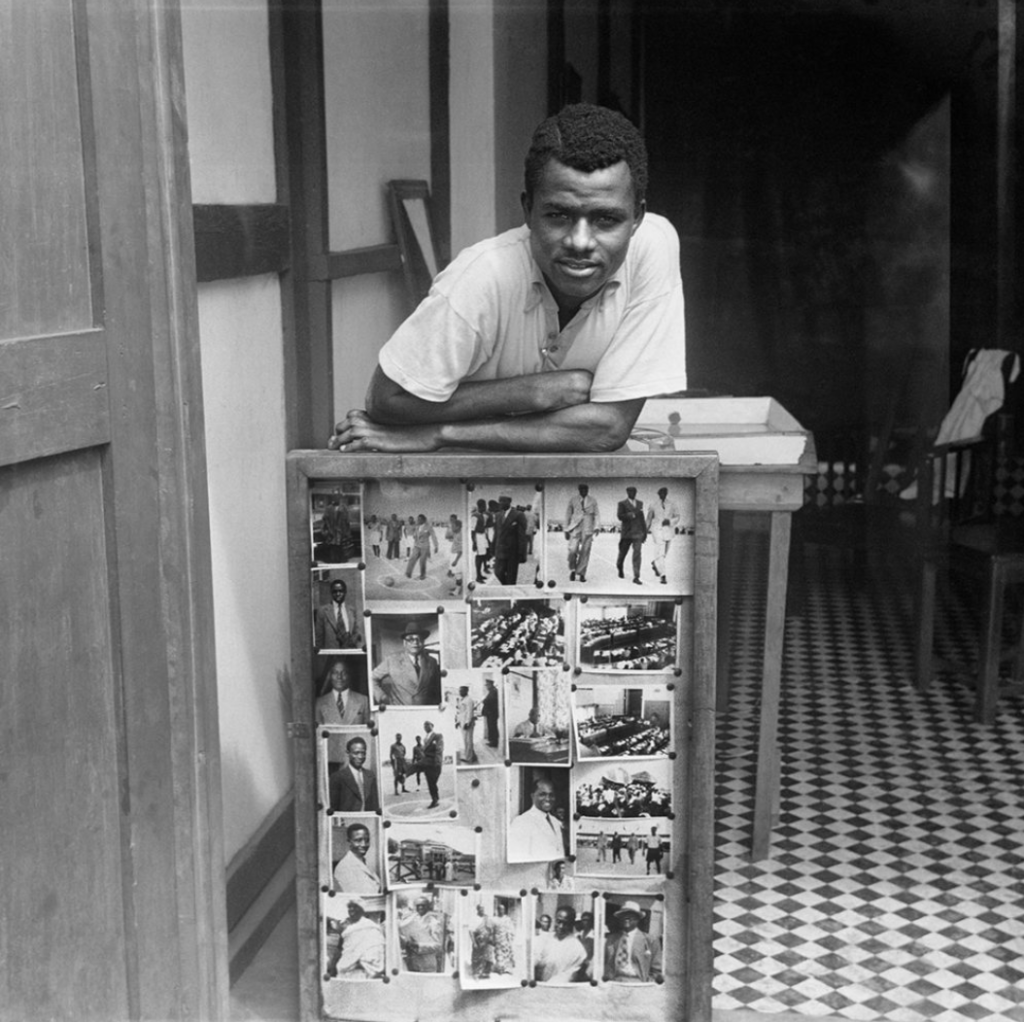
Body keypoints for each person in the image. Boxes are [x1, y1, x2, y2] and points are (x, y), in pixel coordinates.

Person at [329, 103, 686, 455]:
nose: (580, 242)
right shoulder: (484, 274)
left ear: (637, 217)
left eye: (606, 220)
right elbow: (386, 400)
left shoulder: (653, 246)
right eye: (559, 215)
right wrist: (533, 392)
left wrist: (442, 432)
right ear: (527, 209)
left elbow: (606, 428)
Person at [316, 659, 371, 767]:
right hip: (330, 761)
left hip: (357, 761)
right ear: (330, 676)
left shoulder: (363, 700)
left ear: (349, 675)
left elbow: (369, 733)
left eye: (343, 673)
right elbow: (318, 738)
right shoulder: (320, 703)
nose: (339, 677)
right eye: (335, 673)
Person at [371, 620, 441, 705]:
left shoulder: (432, 662)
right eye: (411, 639)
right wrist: (382, 697)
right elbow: (372, 678)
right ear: (404, 643)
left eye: (419, 639)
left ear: (423, 642)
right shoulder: (391, 660)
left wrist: (438, 703)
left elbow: (436, 688)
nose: (416, 642)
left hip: (424, 713)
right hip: (400, 712)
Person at [508, 775, 565, 862]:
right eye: (542, 794)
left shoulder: (555, 821)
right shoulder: (521, 822)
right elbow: (517, 858)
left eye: (551, 795)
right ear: (532, 796)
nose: (548, 799)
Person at [603, 901, 662, 983]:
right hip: (615, 982)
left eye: (631, 916)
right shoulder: (611, 940)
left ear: (638, 919)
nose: (626, 918)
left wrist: (647, 984)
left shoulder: (650, 940)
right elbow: (603, 964)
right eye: (623, 915)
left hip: (638, 982)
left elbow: (657, 970)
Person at [328, 899, 385, 979]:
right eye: (349, 907)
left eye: (355, 907)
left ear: (362, 910)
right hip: (346, 971)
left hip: (366, 970)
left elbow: (376, 949)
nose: (351, 909)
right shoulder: (345, 927)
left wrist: (362, 961)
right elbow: (341, 949)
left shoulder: (370, 927)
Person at [534, 906, 588, 984]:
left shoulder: (578, 949)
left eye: (566, 923)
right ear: (554, 920)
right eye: (558, 921)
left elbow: (569, 976)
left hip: (558, 990)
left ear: (572, 924)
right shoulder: (544, 940)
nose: (561, 926)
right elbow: (535, 961)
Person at [329, 736, 380, 813]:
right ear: (348, 753)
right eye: (356, 753)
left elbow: (374, 804)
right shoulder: (337, 777)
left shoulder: (370, 775)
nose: (360, 757)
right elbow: (333, 807)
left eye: (363, 753)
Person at [645, 485, 682, 584]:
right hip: (657, 531)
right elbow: (648, 519)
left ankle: (655, 563)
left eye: (664, 493)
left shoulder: (673, 504)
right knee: (660, 554)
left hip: (669, 531)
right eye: (661, 493)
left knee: (664, 554)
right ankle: (663, 576)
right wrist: (645, 531)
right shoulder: (653, 504)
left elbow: (678, 516)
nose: (663, 494)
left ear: (666, 493)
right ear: (658, 494)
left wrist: (670, 521)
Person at [398, 895, 444, 973]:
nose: (420, 907)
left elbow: (438, 946)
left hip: (427, 965)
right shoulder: (411, 920)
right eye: (418, 905)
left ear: (428, 906)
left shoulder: (434, 923)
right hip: (413, 964)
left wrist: (418, 946)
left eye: (423, 905)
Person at [332, 822, 382, 894]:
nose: (364, 844)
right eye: (358, 840)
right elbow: (362, 896)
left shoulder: (363, 861)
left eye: (367, 840)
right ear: (349, 842)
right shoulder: (345, 867)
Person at [564, 482, 599, 582]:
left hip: (588, 528)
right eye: (582, 489)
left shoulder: (593, 500)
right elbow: (568, 515)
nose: (584, 491)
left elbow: (596, 514)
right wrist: (566, 529)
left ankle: (582, 573)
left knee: (585, 551)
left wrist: (596, 527)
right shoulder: (573, 500)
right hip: (575, 527)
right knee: (572, 550)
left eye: (586, 490)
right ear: (579, 490)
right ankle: (572, 569)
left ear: (588, 490)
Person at [314, 578, 362, 651]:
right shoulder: (323, 611)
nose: (338, 594)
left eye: (340, 591)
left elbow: (356, 633)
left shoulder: (352, 610)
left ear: (345, 592)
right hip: (331, 653)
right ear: (331, 593)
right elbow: (319, 637)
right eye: (335, 591)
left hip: (350, 653)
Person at [492, 493, 527, 585]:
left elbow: (522, 536)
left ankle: (510, 594)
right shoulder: (498, 515)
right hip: (500, 550)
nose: (500, 503)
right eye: (499, 501)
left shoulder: (518, 515)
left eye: (503, 501)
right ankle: (506, 586)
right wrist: (492, 550)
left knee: (511, 576)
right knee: (498, 572)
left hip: (513, 551)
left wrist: (522, 553)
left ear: (509, 502)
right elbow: (496, 534)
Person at [616, 486, 647, 584]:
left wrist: (645, 532)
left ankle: (636, 576)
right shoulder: (622, 504)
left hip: (637, 533)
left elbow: (642, 518)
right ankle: (619, 566)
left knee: (637, 554)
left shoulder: (640, 504)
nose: (632, 493)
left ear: (636, 493)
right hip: (627, 533)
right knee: (622, 553)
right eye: (630, 492)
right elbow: (619, 516)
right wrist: (629, 515)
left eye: (634, 492)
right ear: (627, 492)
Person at [404, 513, 439, 581]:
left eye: (420, 519)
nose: (418, 520)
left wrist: (436, 545)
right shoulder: (417, 526)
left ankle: (422, 575)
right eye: (418, 519)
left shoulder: (428, 527)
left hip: (425, 547)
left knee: (422, 561)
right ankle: (408, 573)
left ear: (423, 520)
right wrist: (414, 536)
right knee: (412, 559)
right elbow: (415, 534)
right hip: (417, 546)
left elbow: (433, 536)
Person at [421, 719, 444, 809]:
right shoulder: (425, 739)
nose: (426, 726)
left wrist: (437, 762)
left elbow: (439, 749)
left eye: (428, 724)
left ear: (432, 726)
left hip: (435, 763)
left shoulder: (438, 736)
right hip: (427, 764)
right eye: (424, 725)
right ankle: (435, 799)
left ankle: (435, 798)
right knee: (430, 782)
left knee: (433, 782)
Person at [470, 498, 493, 583]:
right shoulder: (475, 516)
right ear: (481, 506)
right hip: (478, 537)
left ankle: (482, 572)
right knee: (479, 557)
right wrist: (474, 542)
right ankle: (478, 576)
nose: (486, 507)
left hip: (483, 536)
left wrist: (487, 539)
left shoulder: (482, 515)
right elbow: (472, 530)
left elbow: (484, 528)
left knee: (484, 554)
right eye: (484, 506)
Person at [455, 685, 478, 764]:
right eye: (459, 691)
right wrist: (457, 722)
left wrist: (467, 722)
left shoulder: (469, 700)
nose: (460, 692)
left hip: (467, 724)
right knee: (466, 740)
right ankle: (472, 756)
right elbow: (460, 713)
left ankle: (469, 759)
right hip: (462, 722)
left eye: (461, 691)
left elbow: (469, 712)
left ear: (466, 691)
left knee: (468, 741)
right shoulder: (462, 700)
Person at [481, 677, 500, 748]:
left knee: (492, 727)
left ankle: (494, 742)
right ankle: (492, 741)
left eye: (487, 685)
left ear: (491, 685)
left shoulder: (494, 691)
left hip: (492, 713)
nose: (486, 687)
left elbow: (490, 701)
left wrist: (485, 701)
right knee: (491, 727)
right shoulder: (491, 691)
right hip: (490, 713)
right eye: (486, 685)